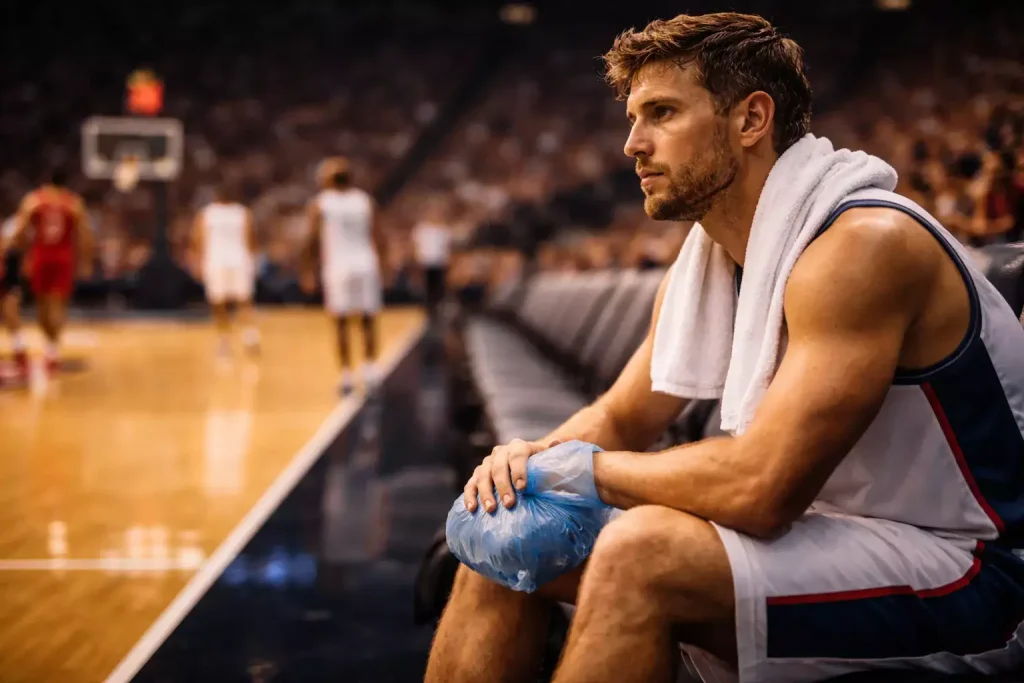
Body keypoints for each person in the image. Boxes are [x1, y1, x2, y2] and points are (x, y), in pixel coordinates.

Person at [426, 13, 1024, 683]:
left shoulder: (862, 247)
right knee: (510, 537)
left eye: (661, 113)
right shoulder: (714, 256)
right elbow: (622, 417)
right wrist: (521, 468)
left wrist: (580, 470)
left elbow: (761, 486)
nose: (631, 144)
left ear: (750, 120)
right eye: (633, 117)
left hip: (971, 568)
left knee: (640, 552)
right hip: (841, 537)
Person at [301, 157, 386, 395]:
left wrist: (307, 270)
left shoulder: (320, 203)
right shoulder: (364, 201)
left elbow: (311, 239)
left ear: (326, 179)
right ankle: (370, 370)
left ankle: (346, 375)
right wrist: (384, 266)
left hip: (338, 266)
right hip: (366, 264)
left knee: (340, 321)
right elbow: (379, 235)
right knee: (368, 319)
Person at [4, 169, 93, 372]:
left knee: (43, 304)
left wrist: (20, 253)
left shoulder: (34, 200)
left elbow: (20, 230)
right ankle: (52, 349)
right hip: (63, 258)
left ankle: (51, 348)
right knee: (57, 303)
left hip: (41, 257)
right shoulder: (73, 203)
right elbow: (85, 235)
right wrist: (86, 262)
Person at [192, 180, 260, 357]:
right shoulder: (207, 214)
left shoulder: (241, 212)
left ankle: (249, 337)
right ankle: (224, 339)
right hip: (216, 261)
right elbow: (199, 239)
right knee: (218, 302)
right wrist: (199, 261)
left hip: (238, 260)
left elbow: (250, 238)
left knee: (243, 300)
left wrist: (252, 260)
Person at [411, 201, 452, 321]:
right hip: (425, 263)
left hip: (440, 263)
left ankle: (438, 311)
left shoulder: (444, 229)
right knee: (427, 289)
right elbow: (415, 246)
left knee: (439, 289)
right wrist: (416, 261)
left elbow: (447, 248)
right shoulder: (421, 229)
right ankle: (428, 312)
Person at [0, 214, 28, 379]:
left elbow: (13, 281)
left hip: (7, 289)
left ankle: (20, 355)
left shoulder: (11, 254)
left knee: (11, 312)